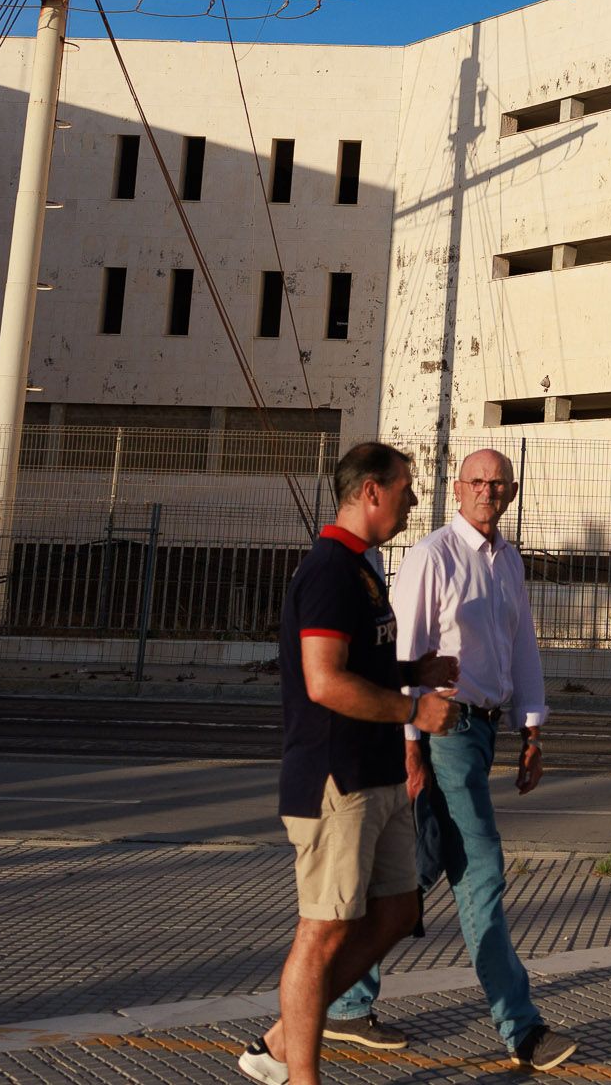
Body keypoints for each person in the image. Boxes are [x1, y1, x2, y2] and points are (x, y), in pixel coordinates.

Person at [323, 447, 577, 1072]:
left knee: (421, 865)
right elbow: (403, 653)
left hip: (484, 730)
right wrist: (409, 745)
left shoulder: (508, 561)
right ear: (458, 489)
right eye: (478, 483)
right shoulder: (433, 556)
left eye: (500, 485)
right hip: (441, 730)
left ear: (511, 494)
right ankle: (521, 1028)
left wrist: (532, 731)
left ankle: (346, 1003)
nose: (489, 493)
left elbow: (522, 648)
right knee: (482, 867)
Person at [240, 441, 457, 1085]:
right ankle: (299, 1074)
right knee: (323, 931)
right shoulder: (331, 571)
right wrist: (413, 711)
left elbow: (360, 664)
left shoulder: (362, 567)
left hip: (379, 775)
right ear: (370, 491)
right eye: (404, 488)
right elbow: (324, 682)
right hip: (338, 780)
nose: (413, 500)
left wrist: (413, 672)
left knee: (396, 911)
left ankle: (283, 1037)